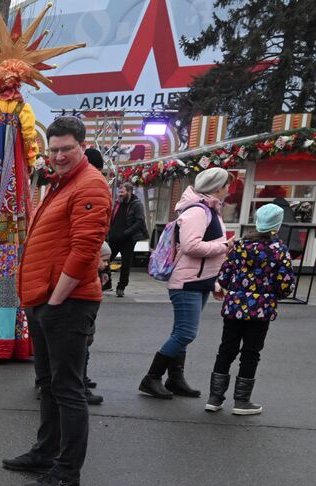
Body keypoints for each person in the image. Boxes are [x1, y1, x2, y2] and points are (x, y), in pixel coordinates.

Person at [0, 9, 80, 360]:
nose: (8, 87)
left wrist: (29, 159)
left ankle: (0, 335)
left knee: (5, 244)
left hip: (9, 184)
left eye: (12, 82)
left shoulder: (15, 111)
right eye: (5, 82)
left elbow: (23, 139)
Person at [0, 115, 110, 486]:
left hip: (66, 303)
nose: (59, 156)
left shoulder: (90, 184)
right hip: (45, 300)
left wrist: (57, 297)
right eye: (54, 150)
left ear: (82, 147)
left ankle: (66, 474)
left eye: (67, 149)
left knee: (67, 388)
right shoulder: (62, 183)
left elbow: (85, 251)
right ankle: (46, 452)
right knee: (48, 383)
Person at [138, 167, 230, 399]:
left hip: (199, 281)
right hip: (188, 282)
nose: (228, 189)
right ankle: (152, 377)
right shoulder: (199, 211)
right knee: (185, 333)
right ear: (217, 188)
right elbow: (191, 246)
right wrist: (225, 247)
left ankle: (175, 378)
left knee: (181, 332)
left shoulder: (209, 209)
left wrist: (214, 281)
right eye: (226, 185)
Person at [204, 203, 295, 416]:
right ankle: (241, 401)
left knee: (226, 349)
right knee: (251, 353)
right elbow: (285, 283)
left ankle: (215, 398)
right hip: (260, 310)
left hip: (234, 306)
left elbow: (224, 275)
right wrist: (273, 294)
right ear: (277, 225)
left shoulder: (239, 246)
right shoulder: (278, 250)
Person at [105, 184, 148, 297]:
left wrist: (127, 233)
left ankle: (121, 287)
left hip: (127, 240)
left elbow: (140, 222)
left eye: (122, 192)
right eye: (119, 193)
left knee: (125, 264)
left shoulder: (136, 205)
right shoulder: (118, 204)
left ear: (129, 192)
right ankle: (106, 283)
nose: (120, 195)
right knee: (105, 261)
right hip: (114, 239)